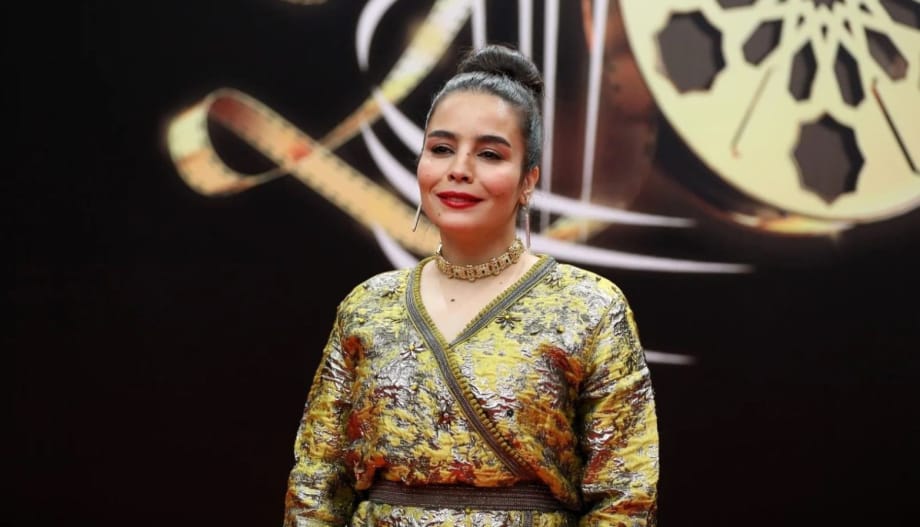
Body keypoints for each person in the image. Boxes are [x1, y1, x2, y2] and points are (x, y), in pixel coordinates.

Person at [283, 43, 658, 527]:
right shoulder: (368, 306)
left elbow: (626, 500)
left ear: (528, 181)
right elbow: (316, 485)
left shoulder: (591, 308)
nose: (459, 169)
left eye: (489, 154)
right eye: (441, 149)